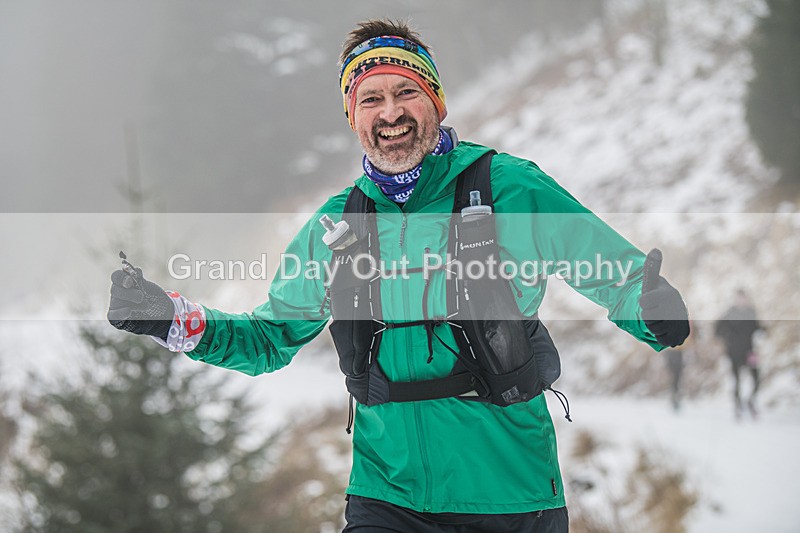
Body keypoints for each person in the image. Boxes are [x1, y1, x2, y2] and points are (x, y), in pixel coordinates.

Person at [107, 19, 690, 532]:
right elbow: (269, 338)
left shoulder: (509, 187)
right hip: (386, 499)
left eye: (406, 93)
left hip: (511, 493)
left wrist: (650, 306)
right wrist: (172, 320)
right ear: (352, 118)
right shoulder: (337, 224)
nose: (390, 113)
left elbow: (612, 272)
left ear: (436, 102)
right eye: (371, 99)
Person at [715, 289, 762, 420]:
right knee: (737, 380)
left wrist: (762, 331)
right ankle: (737, 407)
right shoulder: (730, 312)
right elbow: (718, 330)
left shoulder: (751, 312)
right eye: (739, 298)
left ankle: (750, 401)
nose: (742, 300)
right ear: (736, 299)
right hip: (734, 352)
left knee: (757, 377)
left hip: (750, 351)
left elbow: (757, 326)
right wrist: (727, 337)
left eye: (744, 297)